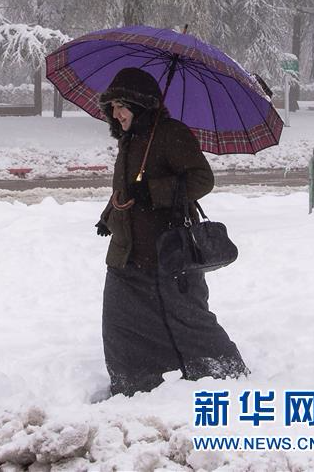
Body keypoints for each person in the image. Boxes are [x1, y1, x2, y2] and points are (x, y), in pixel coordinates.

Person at [95, 67, 248, 397]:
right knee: (122, 323)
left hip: (168, 251)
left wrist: (154, 192)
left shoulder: (170, 134)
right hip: (128, 252)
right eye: (112, 106)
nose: (115, 113)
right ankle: (136, 383)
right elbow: (127, 191)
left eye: (122, 105)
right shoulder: (131, 139)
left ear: (142, 105)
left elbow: (201, 180)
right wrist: (109, 216)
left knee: (188, 319)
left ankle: (224, 373)